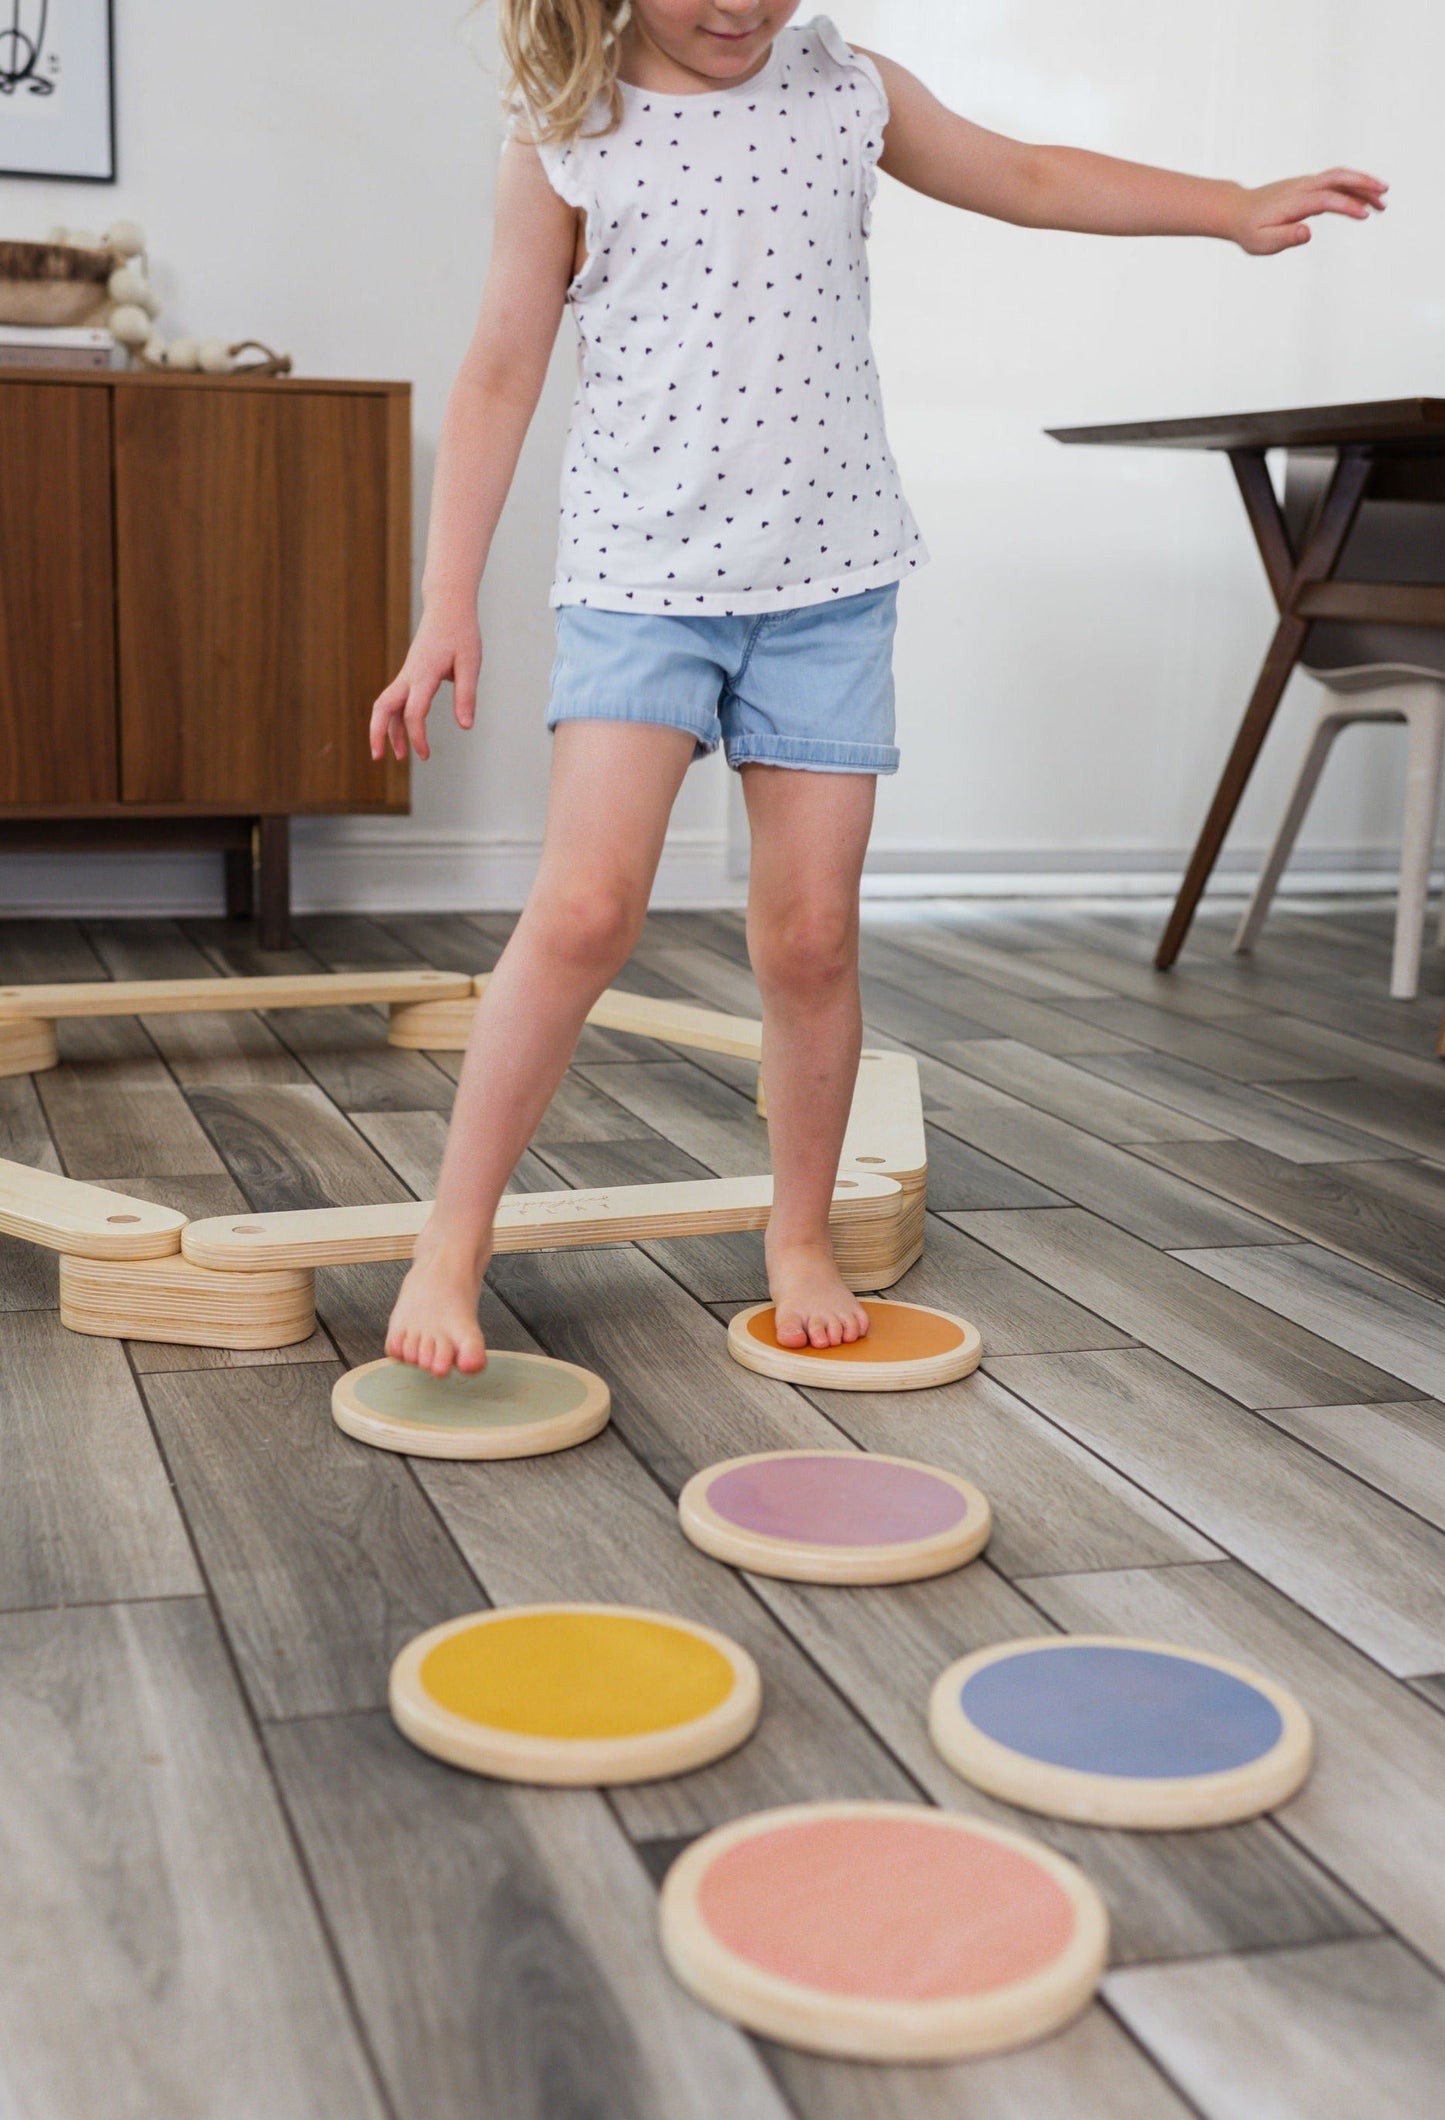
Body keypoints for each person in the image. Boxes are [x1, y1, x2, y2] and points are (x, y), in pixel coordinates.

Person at [371, 1, 1384, 1378]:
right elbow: (499, 372)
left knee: (808, 940)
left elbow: (1025, 175)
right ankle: (451, 1239)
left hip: (828, 583)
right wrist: (445, 605)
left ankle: (797, 1231)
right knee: (585, 910)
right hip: (640, 583)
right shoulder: (567, 133)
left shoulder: (847, 88)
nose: (740, 9)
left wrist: (1225, 206)